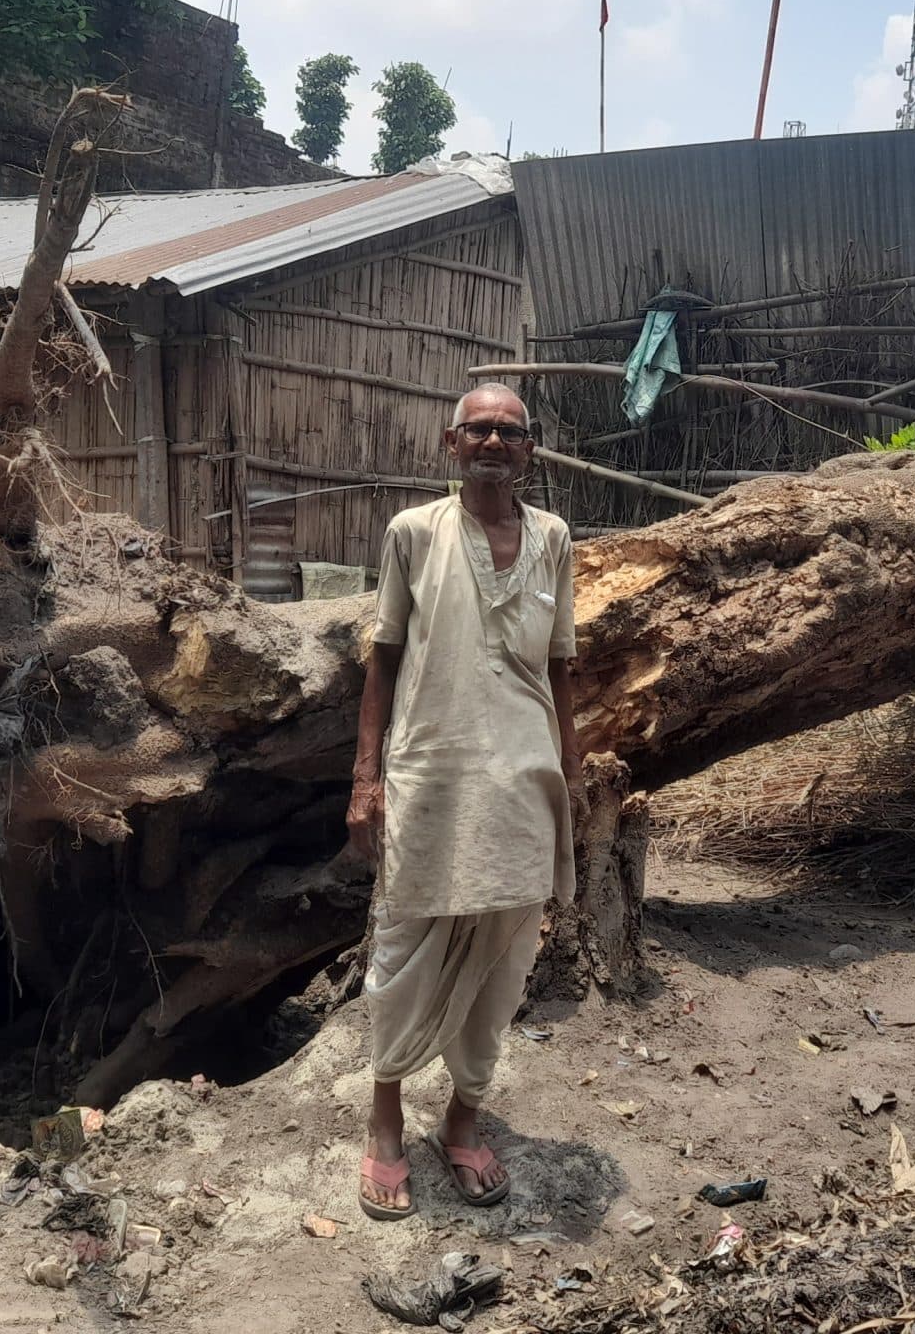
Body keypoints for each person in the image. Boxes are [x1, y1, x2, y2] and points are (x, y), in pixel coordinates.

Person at [348, 382, 580, 1219]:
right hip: (432, 772)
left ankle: (463, 1116)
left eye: (509, 432)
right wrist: (365, 778)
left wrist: (570, 772)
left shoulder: (554, 539)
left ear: (530, 450)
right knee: (404, 944)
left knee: (505, 957)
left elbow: (561, 665)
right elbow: (383, 656)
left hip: (523, 780)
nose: (492, 442)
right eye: (476, 430)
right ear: (451, 445)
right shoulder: (414, 532)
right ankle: (384, 1120)